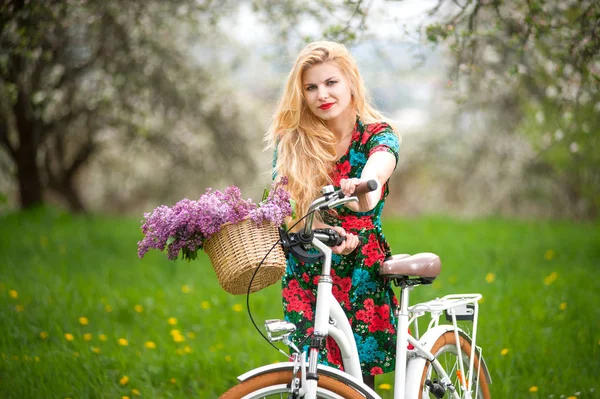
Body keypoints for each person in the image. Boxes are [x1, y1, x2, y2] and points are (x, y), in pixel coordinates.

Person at [265, 41, 401, 390]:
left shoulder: (377, 134)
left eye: (330, 83)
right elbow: (287, 204)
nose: (321, 94)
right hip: (309, 261)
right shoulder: (294, 141)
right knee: (309, 374)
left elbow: (378, 172)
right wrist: (320, 227)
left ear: (351, 82)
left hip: (359, 266)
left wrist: (361, 186)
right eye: (310, 87)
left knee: (355, 381)